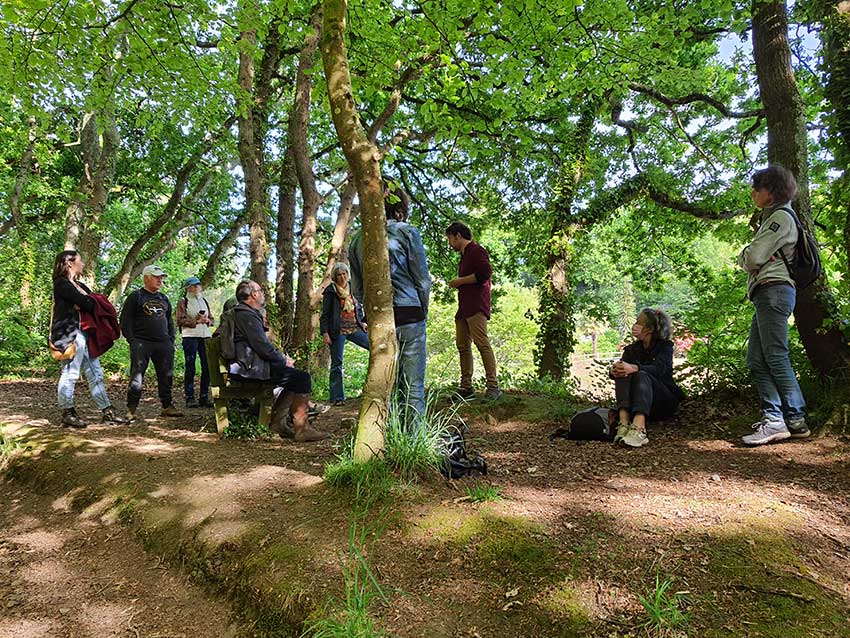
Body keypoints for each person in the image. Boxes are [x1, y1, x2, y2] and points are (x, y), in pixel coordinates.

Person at [349, 180, 431, 429]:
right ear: (400, 208)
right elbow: (422, 278)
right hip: (409, 313)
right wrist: (422, 308)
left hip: (379, 317)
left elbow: (357, 289)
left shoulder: (357, 240)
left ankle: (387, 437)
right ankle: (414, 442)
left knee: (386, 383)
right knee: (412, 384)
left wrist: (367, 312)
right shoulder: (407, 232)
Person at [737, 165, 808, 445]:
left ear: (771, 191)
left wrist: (747, 255)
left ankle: (794, 418)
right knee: (755, 359)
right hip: (767, 294)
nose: (753, 193)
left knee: (776, 355)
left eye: (758, 188)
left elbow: (753, 258)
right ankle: (775, 418)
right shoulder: (774, 217)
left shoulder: (780, 217)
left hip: (774, 292)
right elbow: (758, 258)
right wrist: (755, 258)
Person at [230, 280, 328, 442]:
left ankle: (278, 424)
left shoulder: (242, 313)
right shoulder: (246, 315)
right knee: (302, 378)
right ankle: (302, 429)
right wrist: (283, 360)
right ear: (253, 294)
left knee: (294, 378)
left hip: (246, 365)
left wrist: (281, 359)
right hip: (249, 369)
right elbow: (261, 346)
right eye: (260, 290)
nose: (262, 294)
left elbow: (261, 346)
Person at [50, 250, 125, 428]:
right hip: (70, 335)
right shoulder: (61, 284)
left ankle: (108, 412)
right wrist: (84, 303)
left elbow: (92, 302)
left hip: (85, 334)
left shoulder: (80, 285)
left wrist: (84, 303)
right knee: (70, 373)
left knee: (96, 373)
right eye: (79, 260)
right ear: (69, 263)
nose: (82, 263)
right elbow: (88, 303)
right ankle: (67, 413)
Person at [611, 308, 684, 448]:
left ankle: (639, 428)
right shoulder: (632, 349)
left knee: (640, 374)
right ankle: (624, 423)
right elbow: (620, 370)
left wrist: (635, 368)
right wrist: (615, 370)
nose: (634, 325)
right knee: (623, 371)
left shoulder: (665, 347)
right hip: (635, 402)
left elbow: (661, 369)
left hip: (661, 401)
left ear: (649, 329)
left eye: (638, 322)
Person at [445, 221, 501, 401]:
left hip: (476, 305)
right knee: (462, 345)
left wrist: (459, 281)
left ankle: (493, 386)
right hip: (464, 307)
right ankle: (466, 387)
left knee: (482, 343)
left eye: (450, 239)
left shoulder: (477, 251)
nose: (449, 243)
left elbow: (484, 273)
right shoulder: (464, 256)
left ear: (458, 236)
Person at [120, 265, 183, 421]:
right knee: (137, 377)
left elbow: (169, 321)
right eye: (156, 277)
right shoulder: (136, 297)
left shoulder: (163, 298)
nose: (159, 280)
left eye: (161, 277)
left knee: (166, 376)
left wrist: (170, 340)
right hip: (142, 343)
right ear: (146, 278)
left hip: (163, 344)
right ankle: (131, 409)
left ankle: (167, 406)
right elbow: (125, 320)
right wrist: (132, 340)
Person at [320, 262, 368, 406]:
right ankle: (337, 397)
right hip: (337, 331)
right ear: (335, 277)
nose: (342, 277)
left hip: (355, 328)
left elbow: (359, 307)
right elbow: (325, 314)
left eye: (344, 274)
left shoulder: (353, 287)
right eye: (339, 275)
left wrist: (363, 322)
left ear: (347, 274)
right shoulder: (330, 291)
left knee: (376, 347)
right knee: (337, 364)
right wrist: (325, 333)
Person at [176, 276, 214, 408]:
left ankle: (204, 396)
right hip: (190, 336)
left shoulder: (204, 300)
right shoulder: (183, 301)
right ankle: (190, 397)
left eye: (198, 284)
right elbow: (179, 320)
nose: (198, 287)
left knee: (207, 366)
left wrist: (207, 321)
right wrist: (195, 321)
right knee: (190, 365)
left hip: (205, 336)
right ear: (189, 288)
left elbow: (212, 319)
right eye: (195, 285)